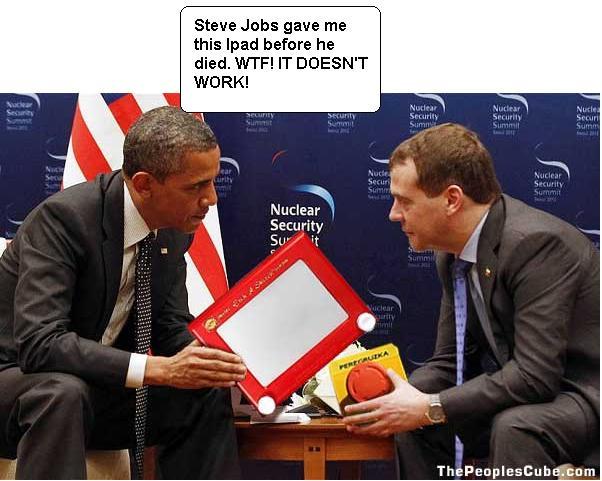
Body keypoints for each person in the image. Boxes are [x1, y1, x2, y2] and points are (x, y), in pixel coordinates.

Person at [0, 106, 247, 479]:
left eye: (213, 182)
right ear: (145, 184)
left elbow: (169, 330)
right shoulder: (64, 220)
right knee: (62, 391)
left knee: (204, 389)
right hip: (18, 382)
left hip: (93, 389)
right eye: (195, 186)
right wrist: (155, 369)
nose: (211, 198)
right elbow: (40, 344)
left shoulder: (172, 229)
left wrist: (222, 360)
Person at [343, 123, 599, 478]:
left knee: (515, 427)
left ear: (452, 199)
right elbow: (449, 363)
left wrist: (430, 406)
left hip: (584, 395)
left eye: (405, 201)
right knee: (410, 419)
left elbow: (534, 376)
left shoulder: (535, 245)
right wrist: (394, 397)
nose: (394, 214)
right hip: (537, 396)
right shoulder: (452, 255)